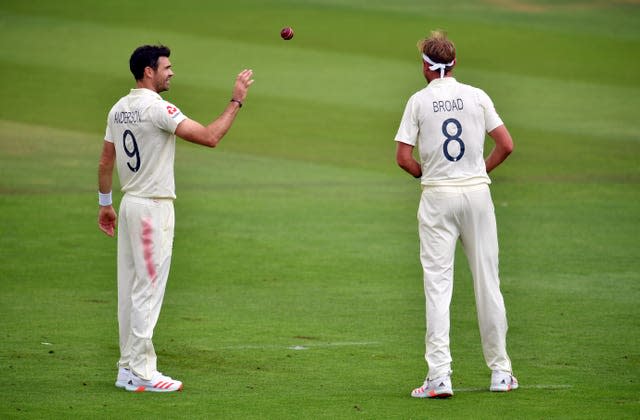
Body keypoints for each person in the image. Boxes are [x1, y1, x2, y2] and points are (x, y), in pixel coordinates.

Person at [97, 45, 254, 392]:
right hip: (153, 209)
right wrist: (236, 100)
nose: (171, 72)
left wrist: (105, 203)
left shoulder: (119, 108)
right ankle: (141, 370)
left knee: (130, 289)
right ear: (148, 72)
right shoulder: (158, 109)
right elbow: (211, 137)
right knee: (147, 290)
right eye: (166, 67)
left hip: (129, 205)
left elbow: (106, 161)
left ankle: (127, 368)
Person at [394, 30, 517, 398]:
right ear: (454, 63)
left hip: (437, 197)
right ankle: (500, 372)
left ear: (425, 67)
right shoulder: (477, 96)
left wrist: (427, 175)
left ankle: (440, 377)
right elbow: (506, 145)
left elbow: (402, 157)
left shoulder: (418, 101)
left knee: (438, 288)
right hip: (477, 195)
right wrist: (479, 171)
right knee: (487, 283)